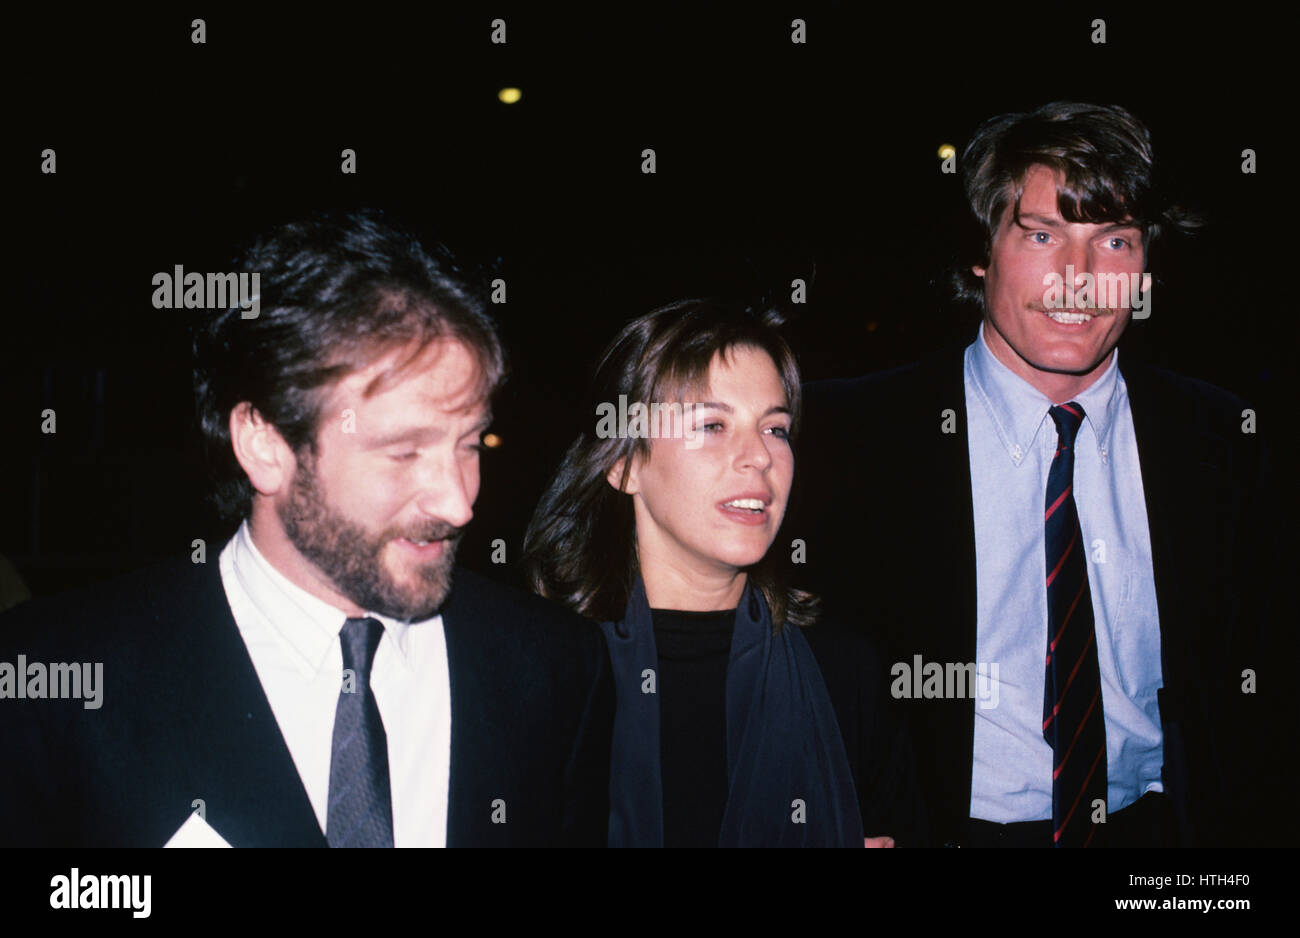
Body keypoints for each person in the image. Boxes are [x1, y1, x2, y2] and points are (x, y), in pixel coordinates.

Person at [0, 209, 613, 847]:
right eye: (403, 451)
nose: (459, 503)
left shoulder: (554, 669)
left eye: (469, 444)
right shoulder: (57, 681)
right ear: (265, 446)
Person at [783, 101, 1286, 847]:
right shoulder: (844, 437)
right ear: (982, 252)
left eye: (1114, 241)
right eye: (1043, 235)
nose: (1079, 278)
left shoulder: (1223, 440)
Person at [523, 299, 926, 847]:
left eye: (776, 429)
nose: (758, 456)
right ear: (623, 462)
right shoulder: (540, 673)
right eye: (712, 424)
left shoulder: (843, 673)